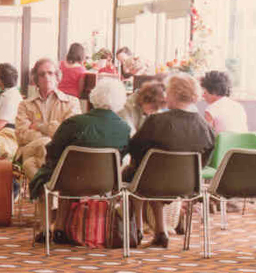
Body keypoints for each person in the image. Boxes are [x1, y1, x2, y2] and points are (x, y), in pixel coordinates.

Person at [29, 79, 131, 243]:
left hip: (69, 179)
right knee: (66, 175)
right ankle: (61, 229)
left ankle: (46, 228)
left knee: (49, 175)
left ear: (94, 96)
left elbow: (53, 150)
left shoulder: (74, 123)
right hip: (105, 184)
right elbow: (122, 155)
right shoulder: (124, 129)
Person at [124, 73, 215, 248]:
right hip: (188, 184)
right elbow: (204, 159)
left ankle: (137, 229)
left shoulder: (156, 121)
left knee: (137, 175)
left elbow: (135, 148)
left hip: (152, 181)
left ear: (172, 94)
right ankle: (160, 231)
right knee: (156, 173)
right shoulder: (206, 128)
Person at [14, 58, 82, 181]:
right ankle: (54, 186)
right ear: (36, 80)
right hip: (31, 149)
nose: (46, 77)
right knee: (44, 143)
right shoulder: (24, 105)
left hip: (58, 153)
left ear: (57, 77)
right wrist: (52, 136)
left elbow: (70, 134)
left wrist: (40, 127)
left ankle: (44, 192)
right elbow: (21, 134)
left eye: (50, 73)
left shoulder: (72, 102)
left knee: (29, 164)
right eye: (42, 74)